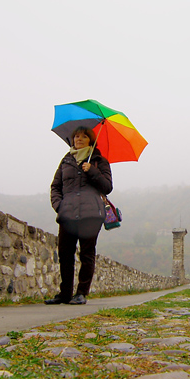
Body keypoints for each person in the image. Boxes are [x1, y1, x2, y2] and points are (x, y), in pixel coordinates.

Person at [47, 127, 113, 305]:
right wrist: (59, 206)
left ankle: (81, 293)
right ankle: (65, 294)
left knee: (87, 254)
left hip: (91, 214)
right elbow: (56, 186)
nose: (79, 139)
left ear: (91, 140)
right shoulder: (66, 161)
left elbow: (107, 187)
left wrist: (92, 170)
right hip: (67, 214)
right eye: (76, 136)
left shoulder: (99, 161)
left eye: (84, 136)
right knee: (65, 254)